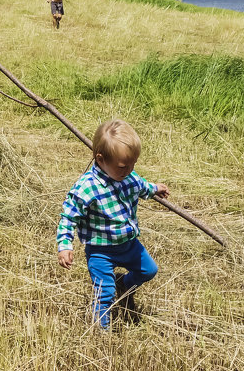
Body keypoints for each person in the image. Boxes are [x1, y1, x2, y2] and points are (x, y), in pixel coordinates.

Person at [56, 119, 169, 329]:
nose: (129, 170)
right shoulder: (87, 188)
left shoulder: (128, 177)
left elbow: (141, 186)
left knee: (149, 271)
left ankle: (124, 285)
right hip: (101, 251)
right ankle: (101, 331)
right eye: (123, 166)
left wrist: (154, 189)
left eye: (133, 164)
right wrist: (65, 246)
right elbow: (68, 217)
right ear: (100, 159)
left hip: (129, 245)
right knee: (104, 293)